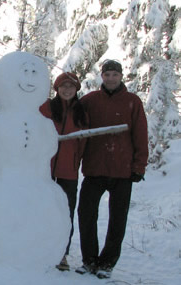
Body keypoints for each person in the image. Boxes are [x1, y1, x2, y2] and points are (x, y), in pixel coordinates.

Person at [76, 60, 148, 279]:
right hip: (94, 168)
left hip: (122, 172)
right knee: (86, 215)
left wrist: (139, 166)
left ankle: (106, 263)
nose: (110, 78)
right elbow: (68, 115)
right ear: (102, 76)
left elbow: (141, 135)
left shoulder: (132, 102)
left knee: (118, 219)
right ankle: (89, 260)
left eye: (114, 74)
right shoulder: (89, 101)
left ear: (121, 76)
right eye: (107, 74)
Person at [39, 72, 88, 271]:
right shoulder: (47, 107)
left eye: (71, 86)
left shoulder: (81, 111)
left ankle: (62, 254)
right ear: (57, 89)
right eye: (63, 86)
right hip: (45, 169)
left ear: (76, 89)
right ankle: (40, 248)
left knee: (65, 213)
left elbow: (83, 142)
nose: (67, 90)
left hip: (69, 171)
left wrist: (76, 161)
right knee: (43, 210)